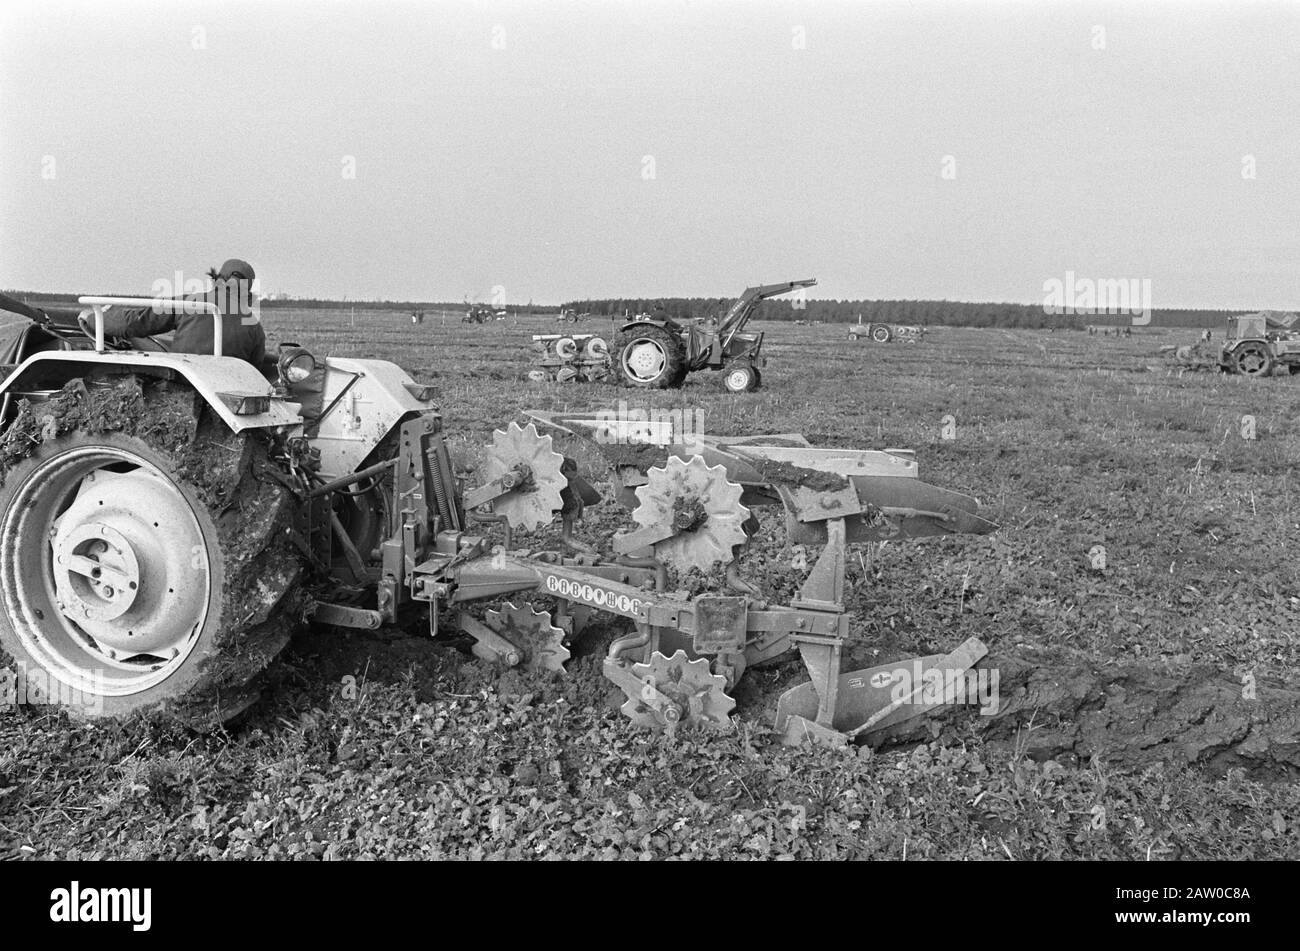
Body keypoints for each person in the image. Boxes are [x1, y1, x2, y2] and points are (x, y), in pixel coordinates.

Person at [92, 258, 266, 365]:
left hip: (184, 387)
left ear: (216, 281)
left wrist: (95, 318)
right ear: (246, 293)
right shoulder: (254, 326)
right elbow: (253, 369)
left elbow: (135, 323)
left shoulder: (190, 303)